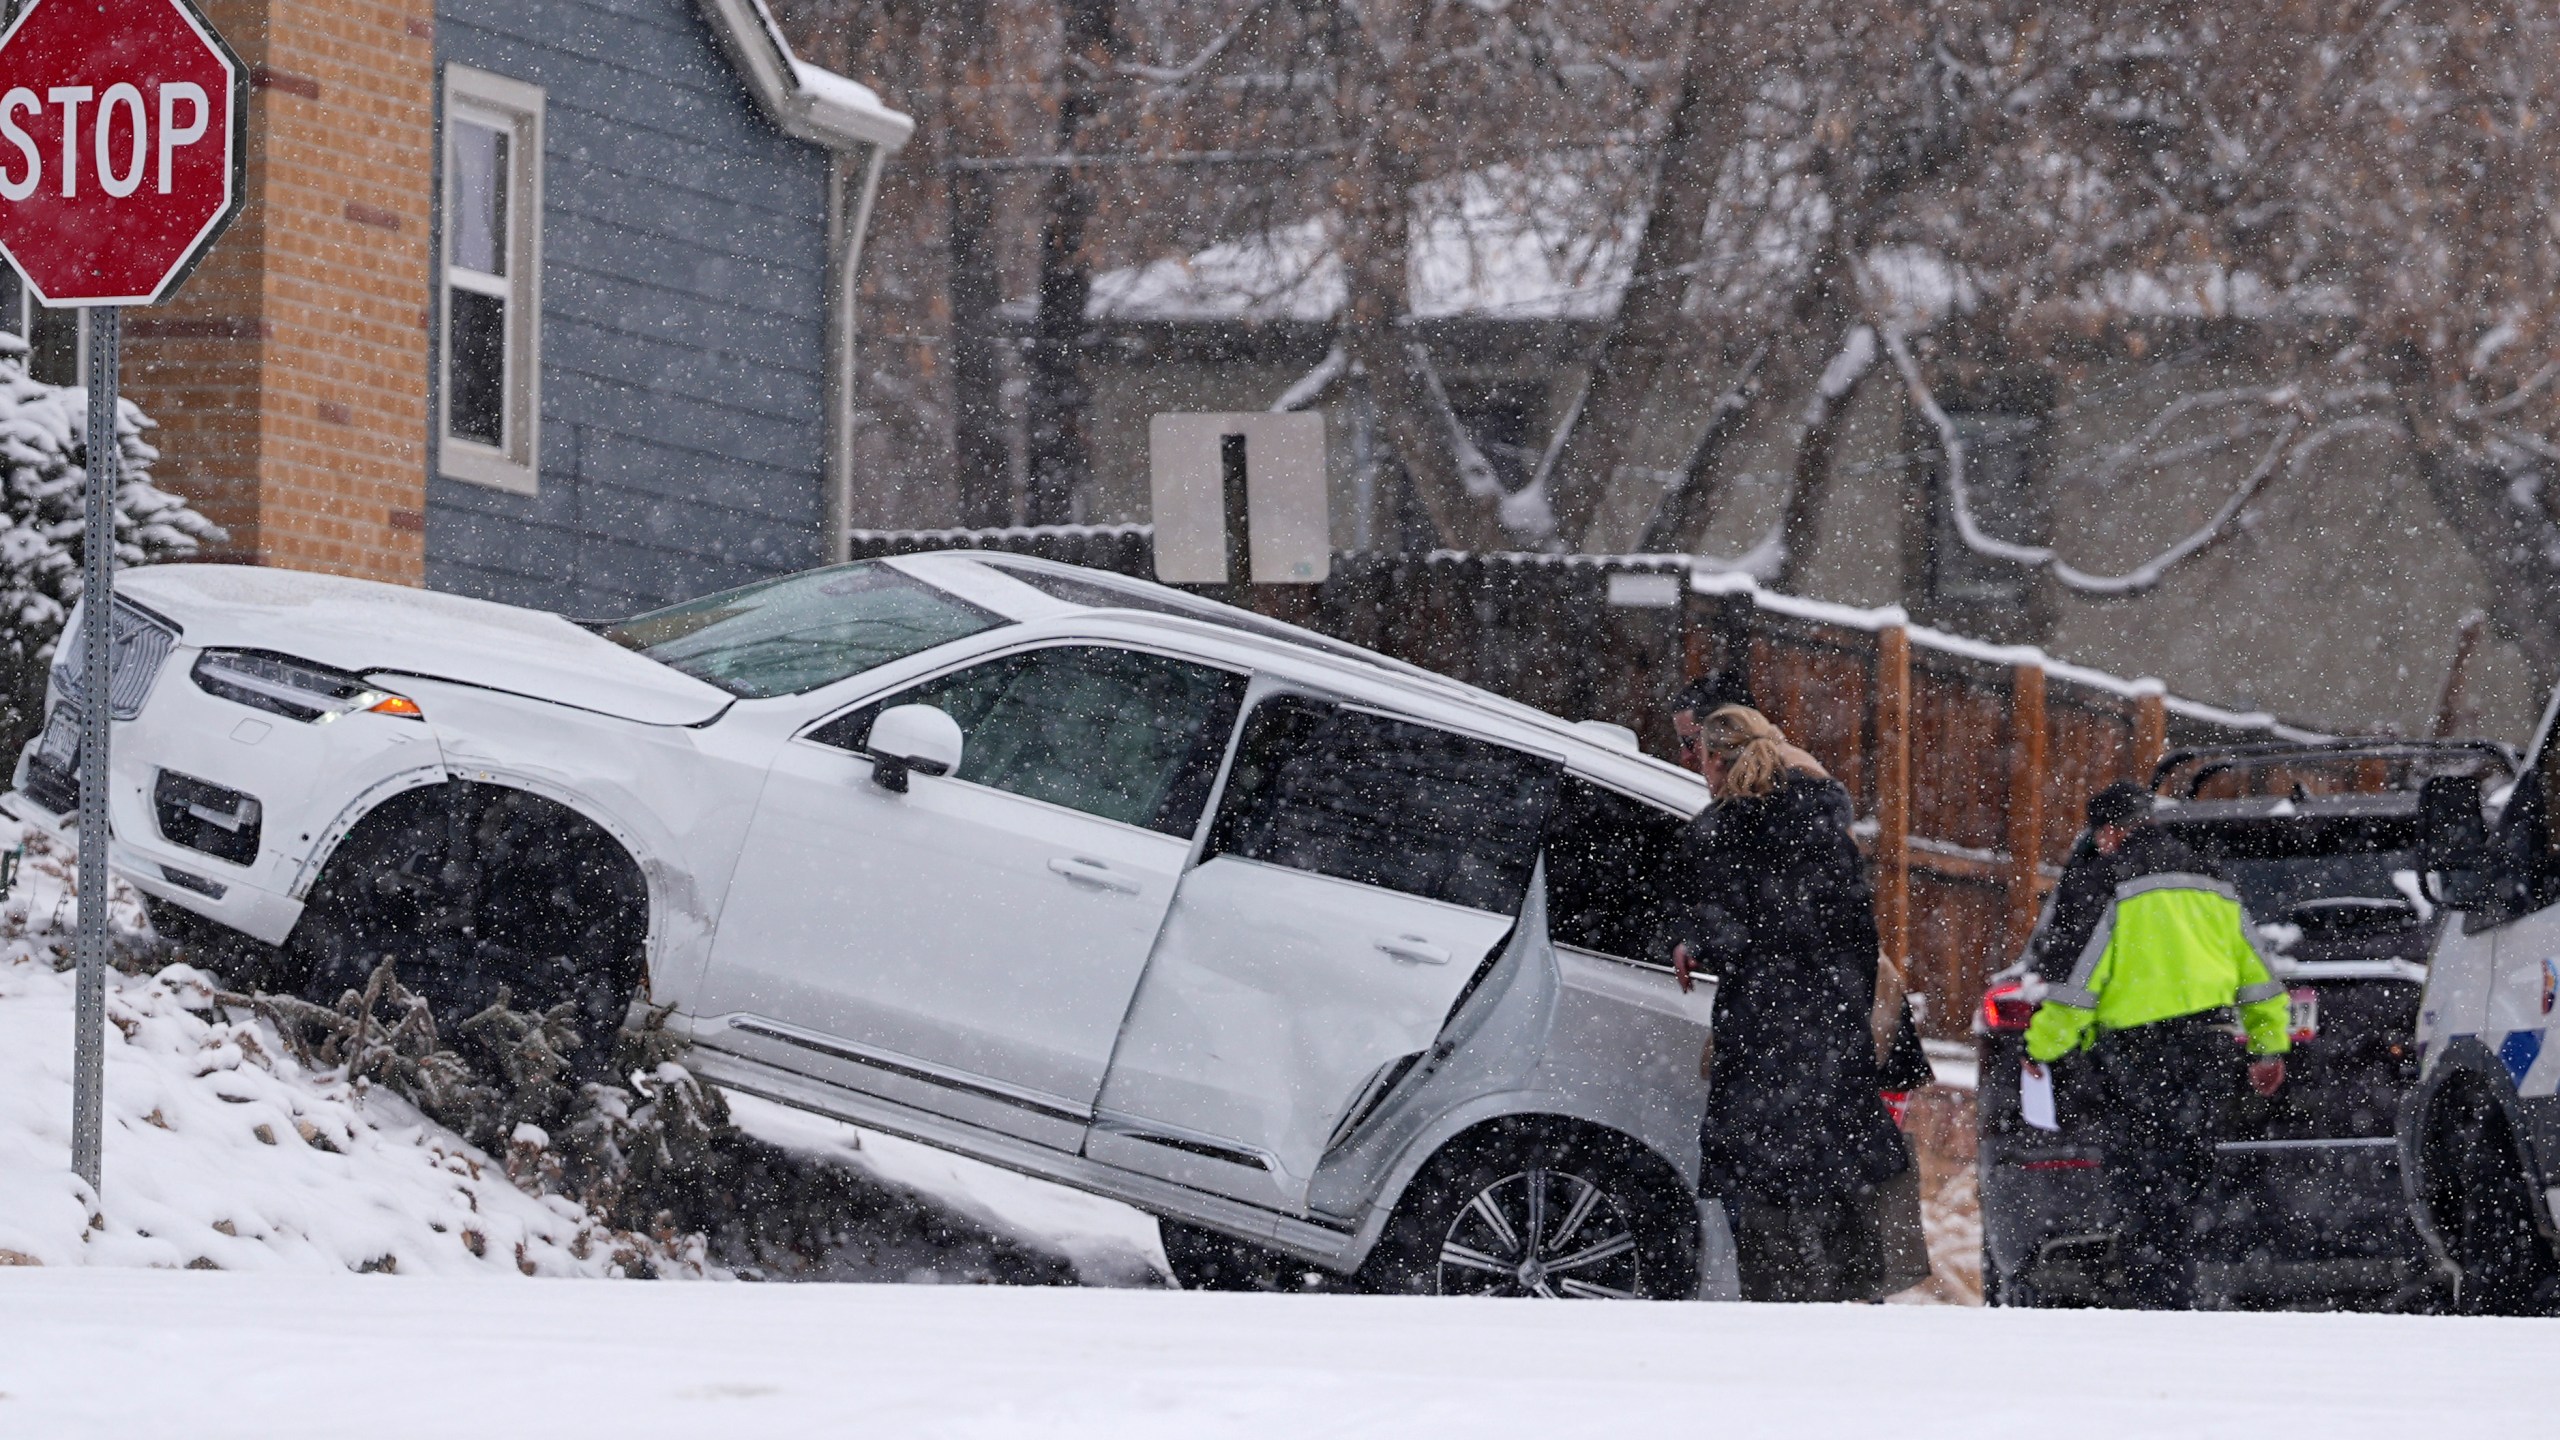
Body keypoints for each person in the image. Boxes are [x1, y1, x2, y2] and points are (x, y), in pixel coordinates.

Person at [1665, 691, 1921, 1301]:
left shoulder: (1725, 829)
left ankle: (1778, 1305)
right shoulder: (1824, 817)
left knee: (1758, 1176)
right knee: (1842, 1167)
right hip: (1830, 1022)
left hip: (1763, 1022)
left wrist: (1692, 940)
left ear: (1712, 761)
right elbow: (1856, 925)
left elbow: (1729, 927)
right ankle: (1855, 1297)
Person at [2022, 780, 2292, 1310]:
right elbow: (2259, 976)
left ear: (2114, 831)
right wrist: (2267, 1047)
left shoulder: (2109, 881)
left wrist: (2043, 1048)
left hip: (2139, 1061)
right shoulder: (2213, 881)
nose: (2099, 844)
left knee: (2141, 1190)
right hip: (2210, 1052)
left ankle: (2157, 1303)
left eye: (2100, 834)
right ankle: (2180, 1293)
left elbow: (2078, 984)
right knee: (2186, 1189)